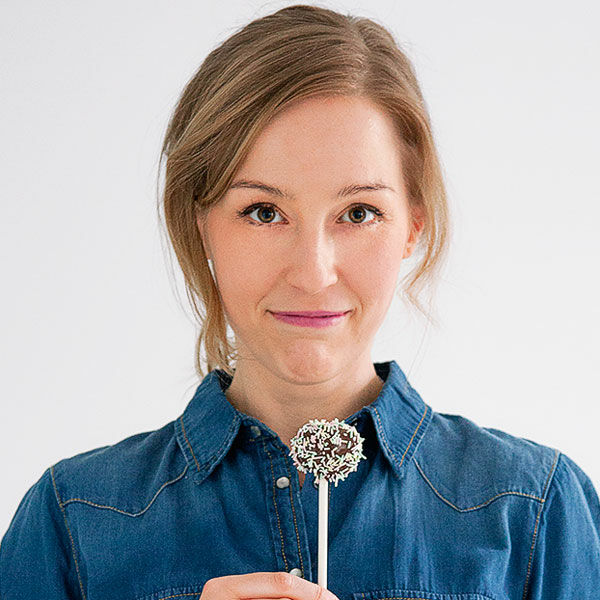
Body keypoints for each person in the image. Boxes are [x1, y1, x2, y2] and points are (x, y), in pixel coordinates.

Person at [1, 4, 599, 599]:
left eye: (358, 213)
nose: (313, 274)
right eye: (264, 212)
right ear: (201, 224)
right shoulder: (71, 522)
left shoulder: (536, 511)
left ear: (412, 225)